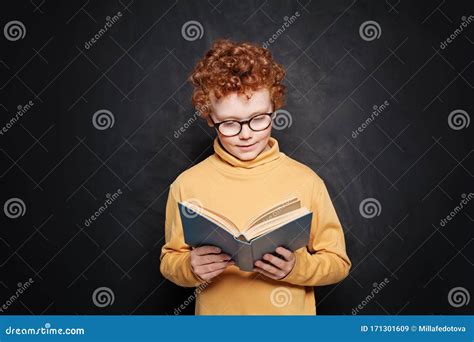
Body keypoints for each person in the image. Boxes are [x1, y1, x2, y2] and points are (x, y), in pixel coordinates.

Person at [160, 38, 351, 315]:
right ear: (210, 118)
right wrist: (189, 267)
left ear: (275, 107)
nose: (246, 133)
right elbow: (169, 261)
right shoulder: (186, 184)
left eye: (259, 118)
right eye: (230, 123)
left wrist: (297, 268)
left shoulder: (307, 182)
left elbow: (338, 263)